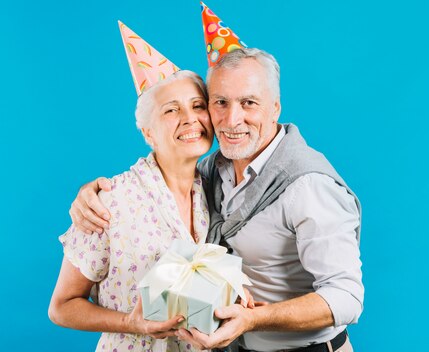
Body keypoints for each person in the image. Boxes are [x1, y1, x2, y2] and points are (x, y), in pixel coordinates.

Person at [70, 47, 363, 352]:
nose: (232, 119)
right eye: (221, 102)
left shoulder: (308, 185)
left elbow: (346, 297)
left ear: (275, 108)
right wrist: (93, 192)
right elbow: (162, 173)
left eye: (248, 103)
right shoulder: (211, 172)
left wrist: (254, 319)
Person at [49, 23, 215, 352]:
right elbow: (62, 306)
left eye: (197, 105)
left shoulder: (217, 188)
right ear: (147, 133)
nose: (190, 118)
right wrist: (131, 322)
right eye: (172, 110)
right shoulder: (110, 202)